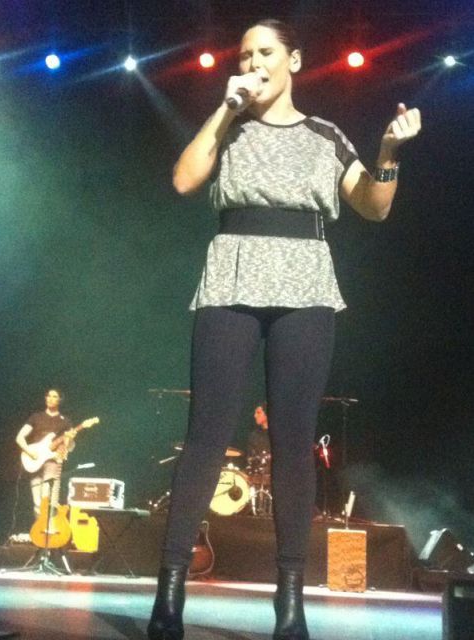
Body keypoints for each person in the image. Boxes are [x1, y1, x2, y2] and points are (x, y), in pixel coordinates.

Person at [147, 18, 421, 640]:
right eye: (245, 55)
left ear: (293, 60)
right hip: (233, 272)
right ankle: (170, 592)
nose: (253, 63)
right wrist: (225, 109)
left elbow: (374, 207)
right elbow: (185, 180)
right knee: (205, 436)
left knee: (294, 442)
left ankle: (290, 601)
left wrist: (386, 154)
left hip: (305, 281)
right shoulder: (229, 125)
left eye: (265, 52)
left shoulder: (326, 135)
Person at [16, 388, 75, 519]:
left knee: (46, 498)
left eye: (54, 396)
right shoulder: (36, 417)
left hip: (52, 460)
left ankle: (49, 527)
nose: (50, 399)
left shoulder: (65, 421)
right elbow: (19, 437)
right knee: (37, 502)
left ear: (60, 400)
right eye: (48, 396)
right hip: (35, 460)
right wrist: (29, 452)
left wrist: (69, 440)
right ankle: (40, 528)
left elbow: (69, 446)